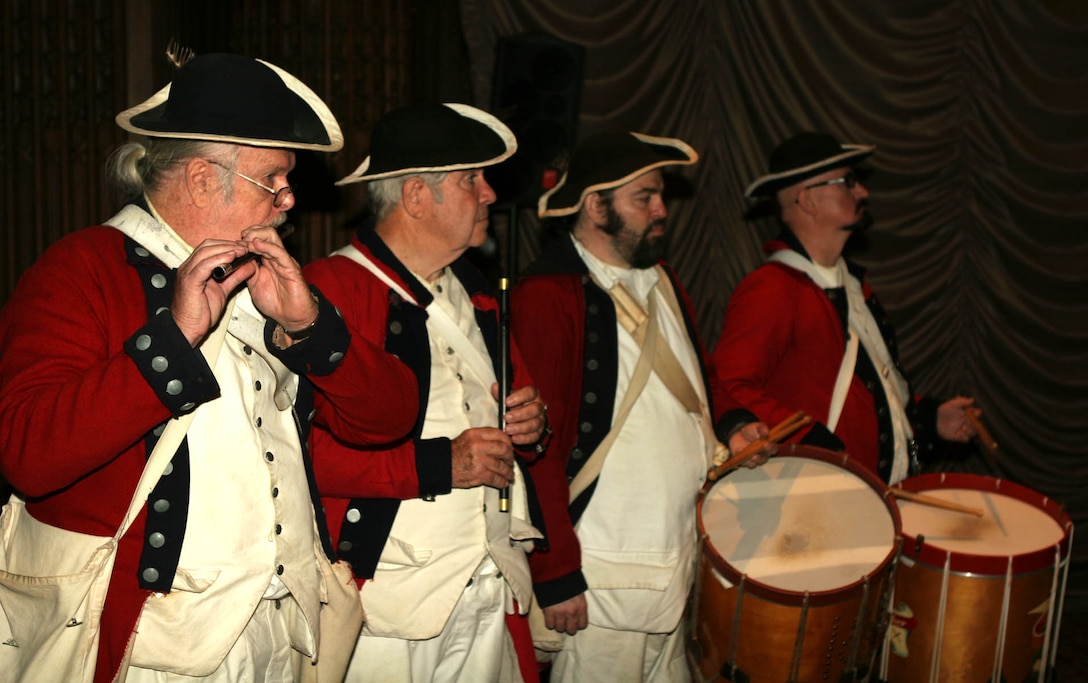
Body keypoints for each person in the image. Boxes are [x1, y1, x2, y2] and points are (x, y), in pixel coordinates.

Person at [0, 53, 420, 682]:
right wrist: (173, 338)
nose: (288, 199)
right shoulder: (81, 268)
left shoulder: (269, 280)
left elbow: (388, 419)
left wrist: (311, 330)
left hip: (282, 636)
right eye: (273, 178)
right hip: (153, 647)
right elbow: (27, 453)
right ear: (201, 180)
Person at [510, 131, 775, 682]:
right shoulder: (548, 295)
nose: (661, 211)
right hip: (602, 576)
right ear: (594, 205)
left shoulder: (662, 278)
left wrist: (735, 422)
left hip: (678, 560)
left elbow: (699, 382)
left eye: (660, 197)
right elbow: (536, 448)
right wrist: (556, 571)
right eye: (644, 198)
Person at [303, 102, 549, 683]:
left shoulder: (477, 292)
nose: (490, 194)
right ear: (416, 197)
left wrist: (534, 427)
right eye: (471, 179)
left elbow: (522, 424)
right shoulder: (327, 291)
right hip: (383, 602)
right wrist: (440, 464)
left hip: (489, 586)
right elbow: (297, 459)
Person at [712, 131, 975, 484]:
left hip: (867, 496)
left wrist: (928, 420)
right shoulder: (771, 288)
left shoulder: (851, 284)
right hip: (817, 498)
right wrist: (812, 442)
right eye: (848, 182)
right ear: (807, 200)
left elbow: (870, 392)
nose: (862, 191)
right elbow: (729, 387)